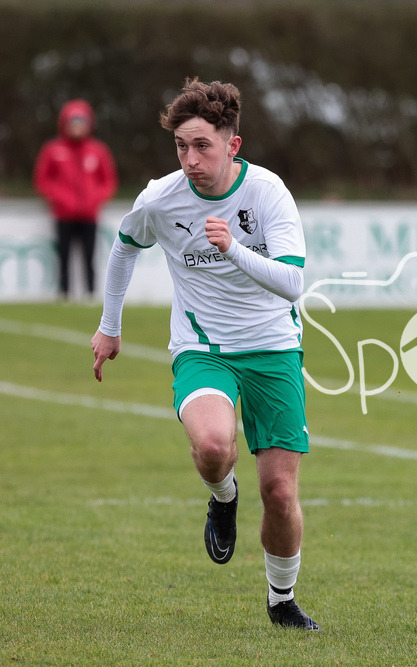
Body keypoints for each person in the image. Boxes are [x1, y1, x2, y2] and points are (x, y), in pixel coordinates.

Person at [90, 78, 319, 631]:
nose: (190, 160)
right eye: (181, 147)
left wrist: (233, 249)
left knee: (281, 492)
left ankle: (281, 599)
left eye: (202, 147)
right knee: (215, 447)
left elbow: (292, 283)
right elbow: (125, 247)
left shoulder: (267, 193)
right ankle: (222, 495)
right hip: (202, 347)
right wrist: (109, 326)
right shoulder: (160, 198)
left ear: (232, 145)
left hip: (272, 348)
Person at [33, 99, 119, 300]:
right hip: (63, 215)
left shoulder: (98, 150)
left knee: (89, 257)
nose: (77, 127)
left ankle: (91, 295)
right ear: (65, 124)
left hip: (90, 215)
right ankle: (64, 295)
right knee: (63, 256)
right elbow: (42, 180)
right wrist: (60, 199)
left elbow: (108, 182)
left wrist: (95, 199)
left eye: (81, 123)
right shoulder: (52, 150)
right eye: (73, 123)